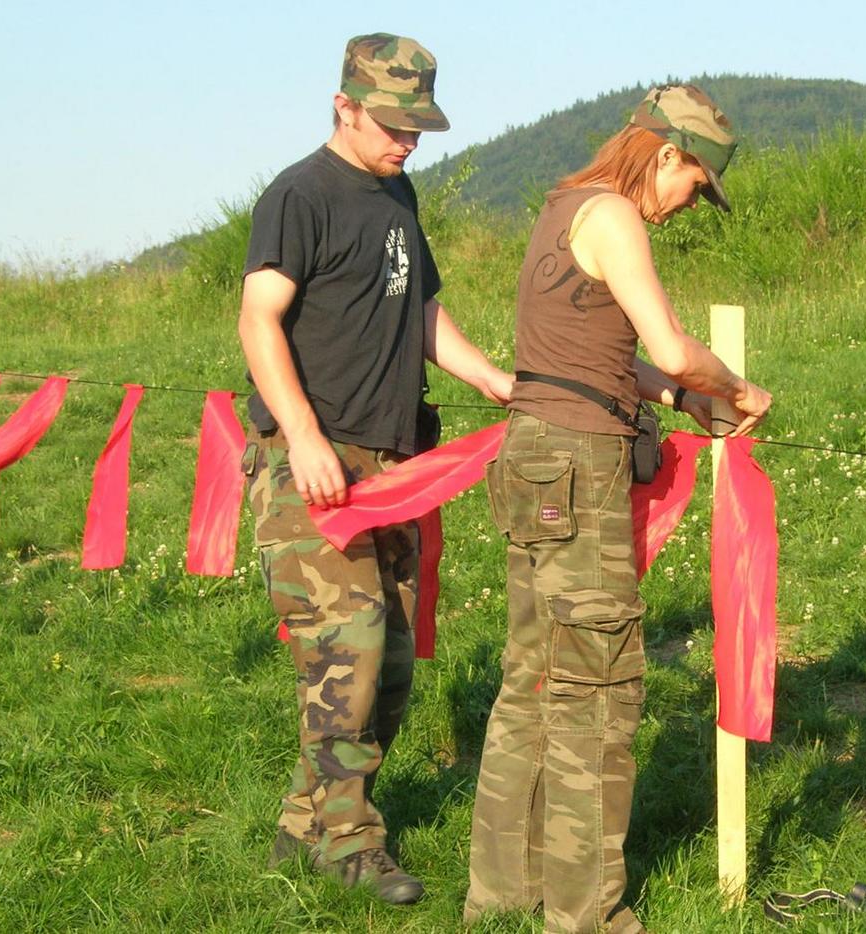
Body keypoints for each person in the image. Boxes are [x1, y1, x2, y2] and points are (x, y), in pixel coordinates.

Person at [465, 84, 773, 933]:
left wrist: (681, 400)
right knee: (596, 694)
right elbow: (669, 344)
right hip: (579, 465)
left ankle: (499, 899)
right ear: (667, 155)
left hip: (530, 456)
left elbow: (600, 354)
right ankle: (586, 915)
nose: (690, 205)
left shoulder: (562, 205)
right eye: (695, 184)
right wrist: (739, 388)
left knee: (529, 680)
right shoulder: (615, 216)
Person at [238, 32, 513, 906]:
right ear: (343, 105)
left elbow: (421, 311)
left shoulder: (398, 194)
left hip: (397, 464)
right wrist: (305, 436)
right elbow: (258, 321)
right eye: (392, 125)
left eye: (418, 128)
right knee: (346, 650)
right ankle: (351, 843)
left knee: (386, 663)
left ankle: (301, 822)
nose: (407, 142)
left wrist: (494, 379)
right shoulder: (299, 195)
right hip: (316, 463)